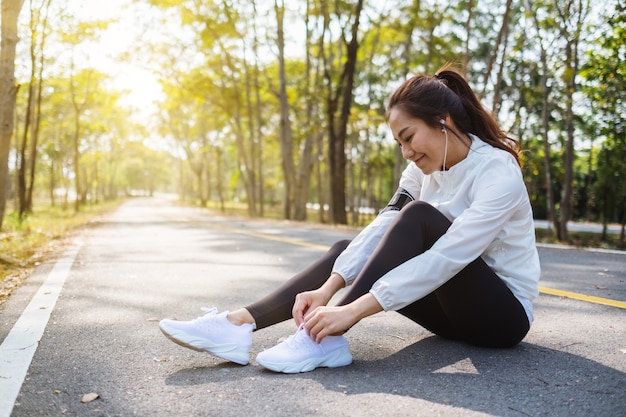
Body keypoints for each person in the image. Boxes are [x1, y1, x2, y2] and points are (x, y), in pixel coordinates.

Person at [159, 64, 541, 374]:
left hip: (500, 318)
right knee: (352, 247)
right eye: (399, 144)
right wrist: (329, 288)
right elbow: (382, 226)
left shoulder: (497, 171)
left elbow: (448, 257)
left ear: (442, 121)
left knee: (419, 217)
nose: (406, 152)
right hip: (450, 315)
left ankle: (319, 339)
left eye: (409, 137)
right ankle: (238, 325)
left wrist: (350, 310)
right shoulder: (422, 170)